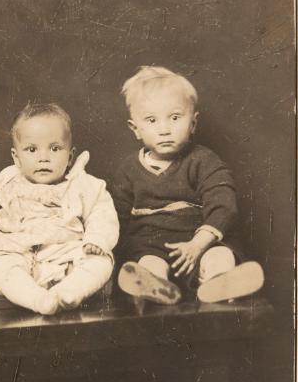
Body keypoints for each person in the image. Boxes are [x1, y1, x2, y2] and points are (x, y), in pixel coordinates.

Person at [0, 103, 119, 315]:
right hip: (16, 251)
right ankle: (39, 300)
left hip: (65, 252)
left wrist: (97, 240)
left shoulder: (84, 184)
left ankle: (70, 292)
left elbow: (102, 214)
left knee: (101, 262)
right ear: (16, 157)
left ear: (70, 156)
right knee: (1, 268)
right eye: (32, 150)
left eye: (55, 148)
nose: (44, 157)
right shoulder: (4, 182)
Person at [112, 66, 264, 305]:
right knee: (148, 264)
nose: (164, 129)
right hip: (152, 246)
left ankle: (218, 282)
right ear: (135, 129)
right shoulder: (128, 170)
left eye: (175, 117)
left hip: (200, 242)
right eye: (151, 120)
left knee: (221, 254)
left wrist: (199, 243)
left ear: (193, 123)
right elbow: (116, 219)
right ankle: (154, 288)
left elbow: (223, 203)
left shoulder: (203, 160)